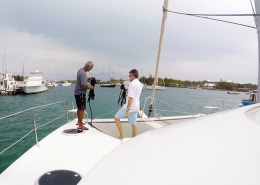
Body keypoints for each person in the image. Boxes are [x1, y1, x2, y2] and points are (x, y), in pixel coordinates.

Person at [114, 69, 143, 139]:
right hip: (136, 106)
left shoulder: (132, 84)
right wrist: (127, 95)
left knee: (116, 117)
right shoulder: (140, 84)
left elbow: (131, 98)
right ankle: (134, 139)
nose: (129, 77)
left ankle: (121, 135)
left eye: (129, 75)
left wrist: (128, 108)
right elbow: (134, 95)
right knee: (133, 124)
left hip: (130, 106)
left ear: (133, 75)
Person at [74, 61, 94, 130]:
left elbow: (82, 80)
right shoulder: (83, 73)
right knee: (82, 108)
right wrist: (91, 87)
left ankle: (79, 121)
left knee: (79, 108)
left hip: (77, 93)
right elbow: (83, 85)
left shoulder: (80, 70)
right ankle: (80, 125)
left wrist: (88, 79)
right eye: (91, 68)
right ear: (88, 66)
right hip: (81, 93)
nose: (91, 69)